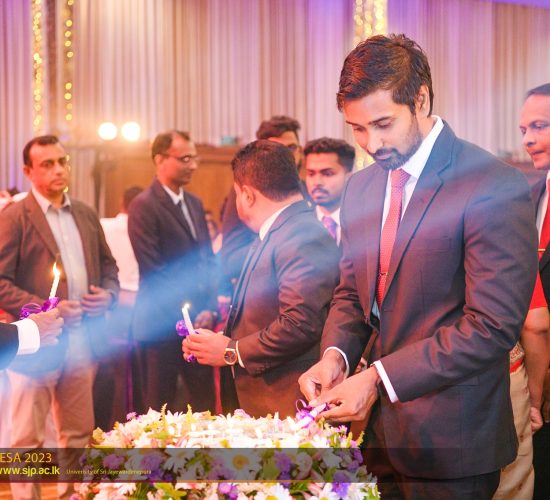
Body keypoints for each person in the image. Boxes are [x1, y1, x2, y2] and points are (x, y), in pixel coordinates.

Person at [298, 34, 538, 499]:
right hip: (378, 439)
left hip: (452, 442)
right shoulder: (362, 187)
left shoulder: (491, 183)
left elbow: (491, 326)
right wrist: (335, 357)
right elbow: (351, 292)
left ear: (421, 99)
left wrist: (377, 378)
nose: (371, 143)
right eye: (357, 128)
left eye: (383, 124)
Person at [0, 134, 120, 500]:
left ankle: (74, 495)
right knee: (27, 439)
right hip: (35, 343)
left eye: (63, 162)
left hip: (80, 340)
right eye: (47, 164)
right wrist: (44, 308)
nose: (58, 170)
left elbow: (109, 266)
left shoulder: (84, 213)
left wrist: (108, 295)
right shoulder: (15, 216)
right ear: (28, 172)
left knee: (79, 432)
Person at [183, 140, 340, 417]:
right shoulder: (279, 230)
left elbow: (300, 323)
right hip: (263, 397)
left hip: (286, 401)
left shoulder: (301, 235)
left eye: (236, 193)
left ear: (247, 195)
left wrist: (232, 351)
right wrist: (219, 342)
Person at [128, 130, 217, 414]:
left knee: (203, 408)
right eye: (185, 159)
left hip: (198, 326)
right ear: (160, 160)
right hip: (160, 326)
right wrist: (192, 310)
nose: (193, 165)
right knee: (158, 412)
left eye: (195, 158)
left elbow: (207, 261)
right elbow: (154, 271)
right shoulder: (143, 205)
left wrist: (210, 307)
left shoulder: (194, 203)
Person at [219, 116, 306, 299]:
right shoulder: (244, 193)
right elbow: (230, 259)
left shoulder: (309, 190)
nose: (286, 156)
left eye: (291, 148)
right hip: (261, 296)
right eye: (278, 149)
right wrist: (285, 251)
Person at [519, 82, 550, 500]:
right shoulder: (529, 194)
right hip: (534, 376)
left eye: (540, 126)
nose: (527, 139)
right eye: (523, 129)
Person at [96, 185, 143, 429]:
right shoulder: (142, 225)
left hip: (113, 303)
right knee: (136, 371)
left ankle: (113, 425)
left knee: (115, 370)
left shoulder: (104, 225)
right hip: (138, 303)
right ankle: (132, 421)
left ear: (121, 203)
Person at [304, 137, 355, 245]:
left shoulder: (364, 222)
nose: (317, 182)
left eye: (327, 174)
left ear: (349, 178)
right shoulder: (298, 223)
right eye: (311, 174)